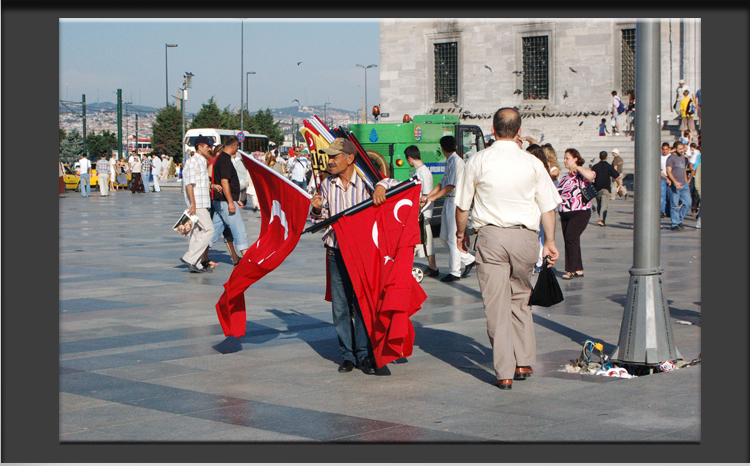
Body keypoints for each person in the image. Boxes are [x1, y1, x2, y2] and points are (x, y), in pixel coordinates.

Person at [454, 107, 561, 391]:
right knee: (520, 298)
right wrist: (549, 242)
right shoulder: (532, 163)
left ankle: (504, 371)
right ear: (519, 131)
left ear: (492, 129)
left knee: (496, 305)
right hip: (526, 238)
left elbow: (463, 205)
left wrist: (460, 234)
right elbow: (548, 208)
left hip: (490, 237)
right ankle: (524, 360)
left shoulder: (477, 160)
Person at [310, 137, 397, 375]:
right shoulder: (327, 184)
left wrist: (382, 186)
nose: (330, 161)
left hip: (361, 253)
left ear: (350, 158)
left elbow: (395, 184)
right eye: (328, 157)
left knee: (361, 304)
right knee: (340, 307)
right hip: (335, 250)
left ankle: (364, 354)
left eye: (334, 157)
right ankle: (347, 355)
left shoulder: (368, 181)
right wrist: (316, 209)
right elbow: (320, 220)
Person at [423, 135, 476, 282]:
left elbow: (451, 184)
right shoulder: (450, 161)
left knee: (452, 238)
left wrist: (434, 197)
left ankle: (455, 272)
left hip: (455, 201)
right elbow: (442, 183)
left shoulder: (457, 162)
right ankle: (468, 259)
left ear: (442, 148)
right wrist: (430, 195)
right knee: (444, 236)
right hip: (448, 200)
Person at [210, 136, 250, 264]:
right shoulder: (225, 160)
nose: (237, 149)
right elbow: (224, 182)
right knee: (238, 228)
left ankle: (198, 254)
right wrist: (231, 201)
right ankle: (247, 257)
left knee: (213, 230)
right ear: (234, 146)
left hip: (220, 201)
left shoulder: (219, 159)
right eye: (237, 147)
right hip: (225, 202)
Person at [556, 148, 596, 280]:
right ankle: (578, 268)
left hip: (580, 211)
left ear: (575, 159)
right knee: (572, 239)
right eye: (564, 158)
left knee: (570, 238)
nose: (565, 160)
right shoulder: (565, 177)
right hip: (565, 212)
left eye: (568, 158)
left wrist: (578, 168)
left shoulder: (581, 174)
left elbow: (591, 176)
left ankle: (570, 269)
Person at [180, 135, 215, 273]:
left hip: (202, 201)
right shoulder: (193, 161)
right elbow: (189, 184)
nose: (209, 149)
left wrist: (212, 186)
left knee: (197, 232)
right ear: (200, 147)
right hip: (198, 203)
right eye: (207, 147)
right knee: (209, 229)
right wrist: (192, 204)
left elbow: (199, 183)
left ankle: (197, 263)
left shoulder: (201, 161)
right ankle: (190, 258)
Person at [405, 145, 438, 277]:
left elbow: (426, 195)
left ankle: (433, 266)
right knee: (426, 239)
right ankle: (432, 266)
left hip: (423, 211)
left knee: (425, 239)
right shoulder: (420, 172)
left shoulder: (423, 173)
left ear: (410, 159)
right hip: (422, 210)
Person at [591, 151, 622, 226]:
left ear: (599, 157)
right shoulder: (609, 167)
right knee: (604, 204)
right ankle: (601, 219)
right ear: (606, 157)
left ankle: (601, 219)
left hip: (597, 188)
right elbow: (616, 177)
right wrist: (619, 185)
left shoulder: (595, 167)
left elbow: (591, 177)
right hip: (606, 188)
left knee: (599, 205)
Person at [665, 141, 691, 231]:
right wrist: (675, 182)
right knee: (674, 205)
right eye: (680, 149)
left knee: (688, 203)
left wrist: (686, 181)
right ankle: (675, 223)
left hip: (683, 184)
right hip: (674, 185)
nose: (682, 151)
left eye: (682, 149)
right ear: (675, 149)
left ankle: (679, 220)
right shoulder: (671, 158)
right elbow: (668, 171)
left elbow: (683, 169)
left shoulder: (683, 158)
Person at [660, 142, 673, 218]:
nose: (665, 151)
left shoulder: (671, 157)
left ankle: (668, 211)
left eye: (666, 149)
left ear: (669, 149)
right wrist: (666, 178)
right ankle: (661, 211)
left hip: (671, 177)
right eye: (663, 149)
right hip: (663, 177)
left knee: (670, 195)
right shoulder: (660, 157)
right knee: (662, 195)